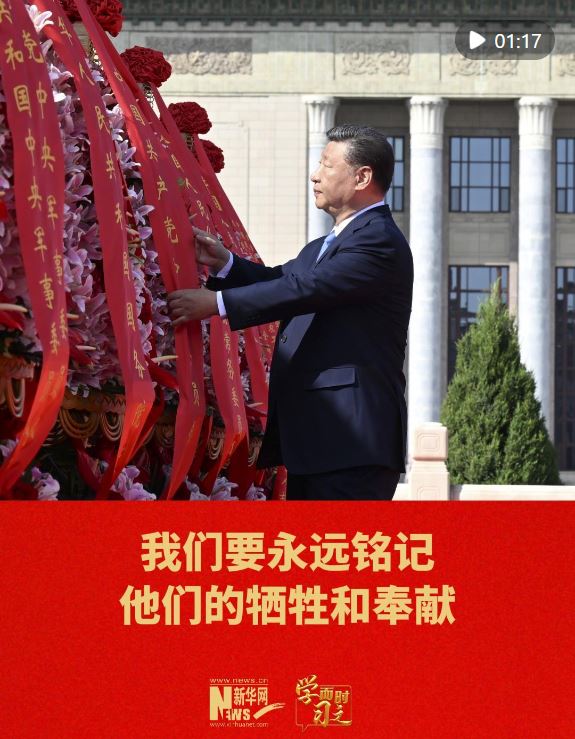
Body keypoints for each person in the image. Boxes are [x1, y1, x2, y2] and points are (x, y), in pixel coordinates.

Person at [167, 124, 413, 500]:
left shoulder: (378, 241)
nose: (315, 175)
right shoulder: (325, 246)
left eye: (327, 165)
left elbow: (305, 289)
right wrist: (226, 263)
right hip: (319, 439)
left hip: (352, 443)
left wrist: (216, 304)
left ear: (362, 177)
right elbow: (281, 279)